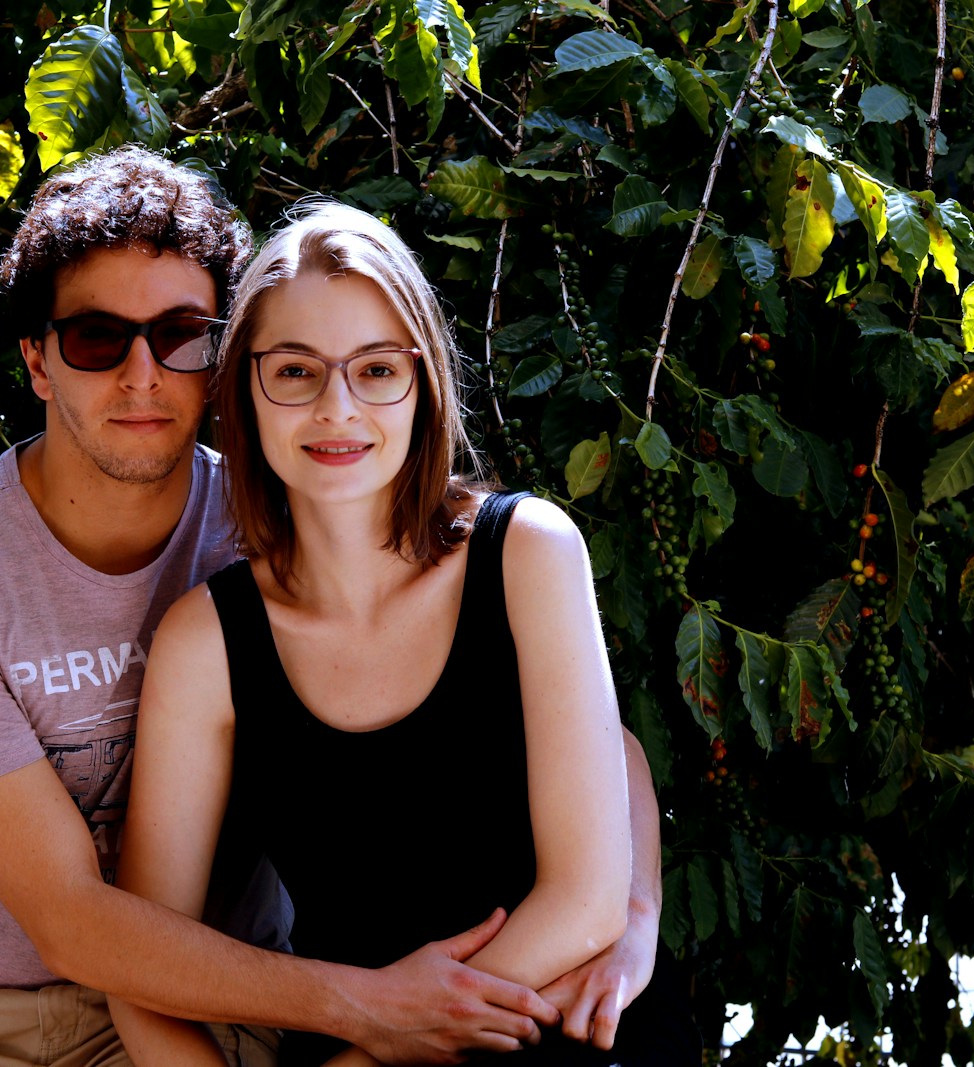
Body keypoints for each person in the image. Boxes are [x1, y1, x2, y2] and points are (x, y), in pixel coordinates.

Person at [0, 149, 561, 1067]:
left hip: (220, 1003)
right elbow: (73, 923)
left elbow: (562, 710)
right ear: (38, 360)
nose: (142, 372)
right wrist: (367, 1007)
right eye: (95, 338)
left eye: (182, 334)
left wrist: (632, 908)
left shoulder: (289, 515)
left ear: (223, 359)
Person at [106, 201, 699, 1066]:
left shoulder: (527, 553)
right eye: (297, 372)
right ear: (245, 390)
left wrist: (374, 1054)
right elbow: (146, 971)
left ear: (422, 384)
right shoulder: (207, 643)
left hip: (574, 1032)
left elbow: (583, 896)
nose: (337, 408)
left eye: (377, 369)